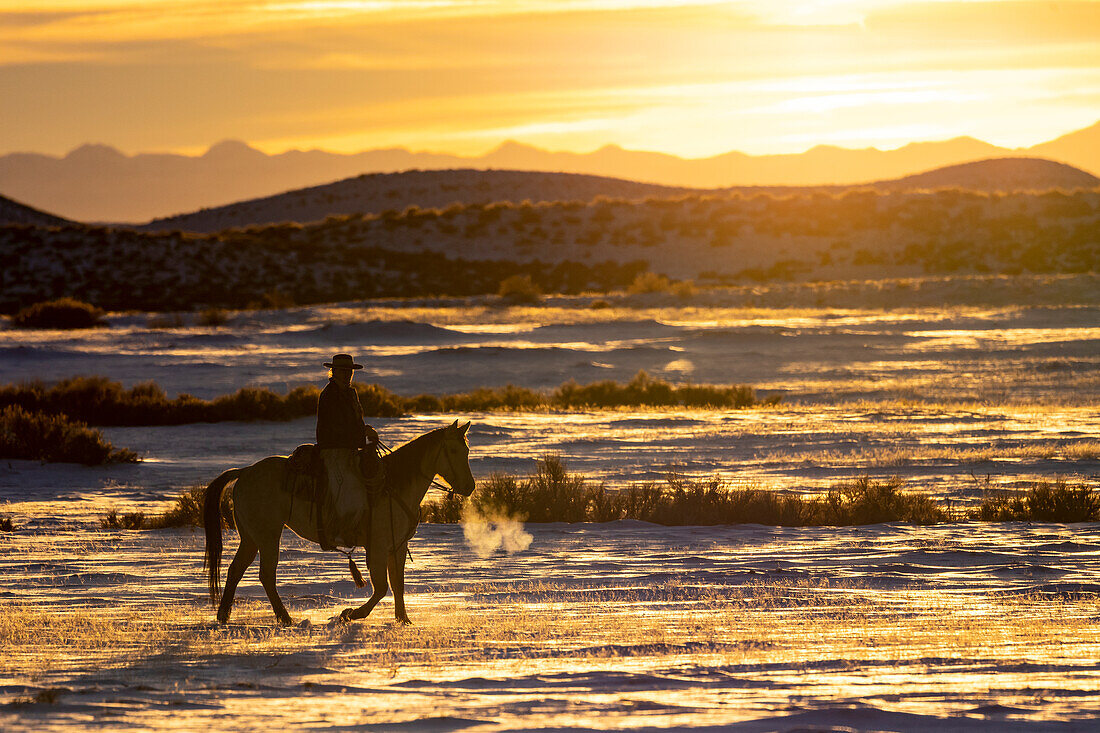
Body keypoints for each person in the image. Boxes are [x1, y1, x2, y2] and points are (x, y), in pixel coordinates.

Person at [315, 353, 381, 550]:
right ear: (333, 372)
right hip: (332, 449)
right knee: (346, 485)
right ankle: (342, 531)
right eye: (343, 371)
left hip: (349, 448)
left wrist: (365, 432)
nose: (347, 375)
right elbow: (336, 428)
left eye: (349, 371)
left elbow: (354, 423)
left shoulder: (351, 393)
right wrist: (362, 435)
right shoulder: (329, 394)